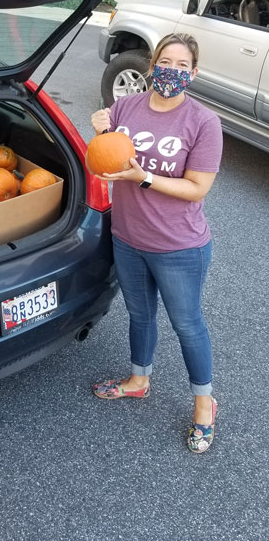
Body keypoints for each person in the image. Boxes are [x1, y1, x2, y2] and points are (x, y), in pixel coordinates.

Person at [89, 32, 223, 453]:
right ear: (152, 66)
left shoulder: (203, 122)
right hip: (128, 237)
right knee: (139, 315)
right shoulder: (126, 106)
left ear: (194, 73)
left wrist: (142, 177)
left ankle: (204, 405)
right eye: (166, 61)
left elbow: (196, 188)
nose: (172, 71)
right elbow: (105, 153)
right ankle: (138, 380)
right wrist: (99, 124)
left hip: (179, 246)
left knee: (187, 325)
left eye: (183, 66)